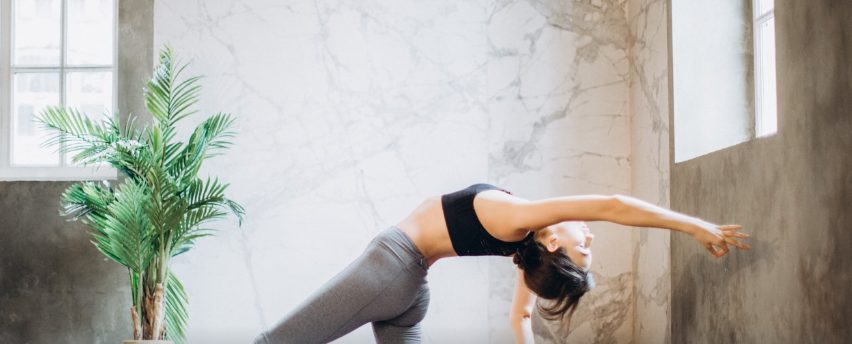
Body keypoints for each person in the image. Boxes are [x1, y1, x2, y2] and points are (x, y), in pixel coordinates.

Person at [253, 183, 750, 344]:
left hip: (390, 270)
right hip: (409, 293)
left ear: (556, 243)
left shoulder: (522, 222)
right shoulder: (524, 247)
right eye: (590, 245)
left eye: (585, 247)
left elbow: (613, 204)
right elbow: (520, 317)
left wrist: (694, 226)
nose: (590, 233)